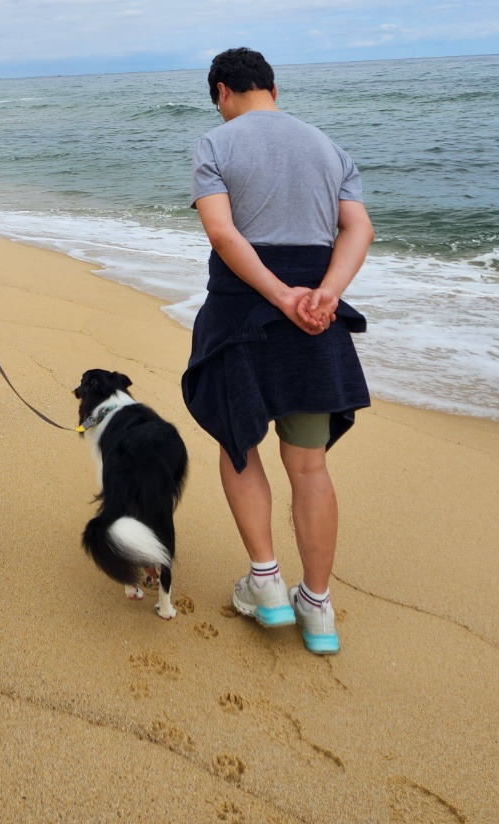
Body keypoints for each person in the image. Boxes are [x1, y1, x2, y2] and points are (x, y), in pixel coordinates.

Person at [181, 47, 373, 654]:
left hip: (243, 312)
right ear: (273, 89)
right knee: (310, 466)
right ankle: (317, 608)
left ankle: (265, 585)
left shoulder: (215, 144)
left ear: (221, 91)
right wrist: (324, 294)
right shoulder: (329, 148)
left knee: (238, 445)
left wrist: (278, 295)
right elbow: (359, 228)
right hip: (315, 318)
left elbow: (222, 232)